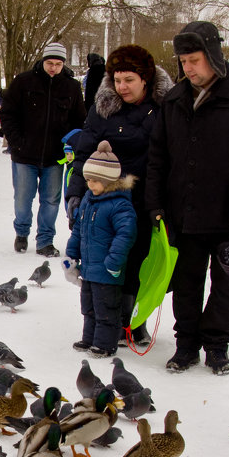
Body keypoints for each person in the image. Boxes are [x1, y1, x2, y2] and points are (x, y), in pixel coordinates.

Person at [145, 20, 229, 375]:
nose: (188, 69)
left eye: (194, 60)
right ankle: (186, 344)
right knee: (186, 283)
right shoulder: (174, 99)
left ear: (214, 56)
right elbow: (157, 157)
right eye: (183, 62)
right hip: (182, 211)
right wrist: (156, 204)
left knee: (228, 284)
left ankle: (217, 346)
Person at [63, 44, 173, 347]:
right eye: (117, 80)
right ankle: (107, 323)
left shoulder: (165, 107)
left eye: (129, 80)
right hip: (105, 198)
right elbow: (85, 150)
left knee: (139, 260)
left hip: (146, 197)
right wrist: (76, 193)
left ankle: (134, 321)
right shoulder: (104, 107)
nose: (121, 87)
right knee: (107, 261)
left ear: (146, 79)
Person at [0, 42, 86, 257]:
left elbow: (79, 121)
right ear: (42, 61)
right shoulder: (24, 82)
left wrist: (72, 144)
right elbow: (8, 113)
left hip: (55, 157)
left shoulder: (71, 87)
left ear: (63, 64)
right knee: (22, 199)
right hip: (24, 155)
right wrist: (16, 141)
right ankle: (21, 231)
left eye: (57, 64)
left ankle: (45, 240)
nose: (53, 68)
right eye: (49, 63)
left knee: (51, 200)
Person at [65, 141, 136, 358]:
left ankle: (105, 344)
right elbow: (78, 229)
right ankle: (90, 339)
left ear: (108, 180)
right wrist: (71, 255)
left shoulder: (119, 204)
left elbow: (126, 234)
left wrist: (114, 261)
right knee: (88, 306)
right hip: (88, 267)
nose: (90, 185)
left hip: (107, 270)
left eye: (95, 181)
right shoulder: (88, 200)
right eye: (88, 180)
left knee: (106, 308)